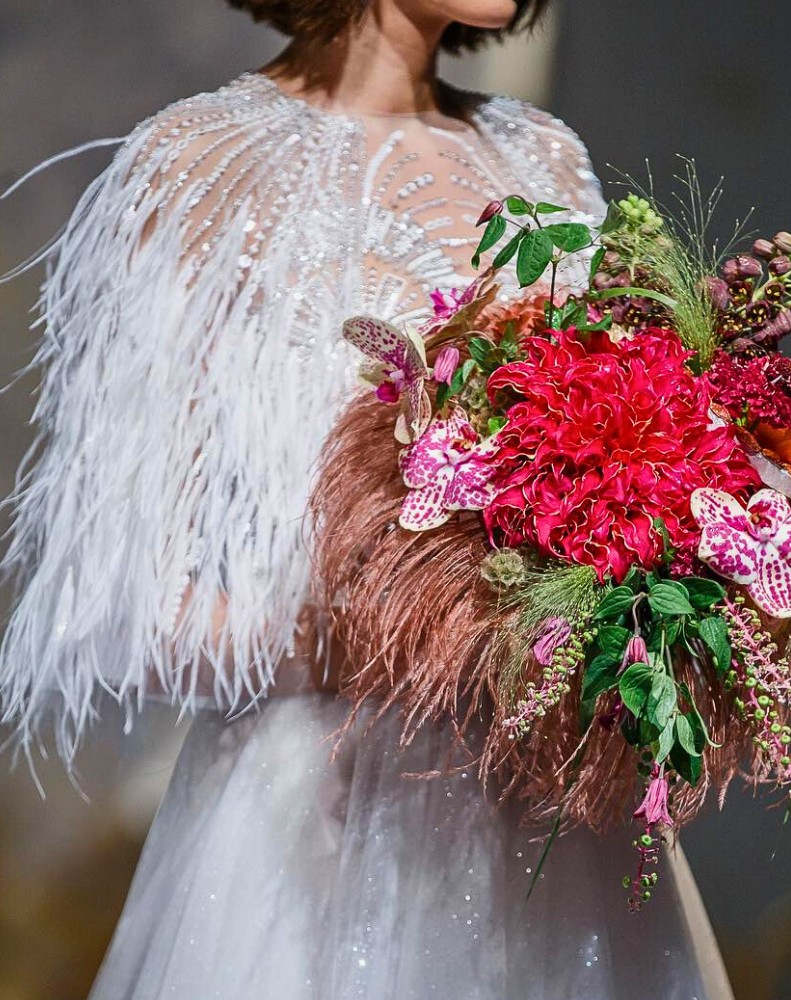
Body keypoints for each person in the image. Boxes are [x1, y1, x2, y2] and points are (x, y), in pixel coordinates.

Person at [0, 2, 734, 997]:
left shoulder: (543, 158)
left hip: (555, 844)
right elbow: (131, 607)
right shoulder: (197, 165)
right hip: (316, 837)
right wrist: (389, 632)